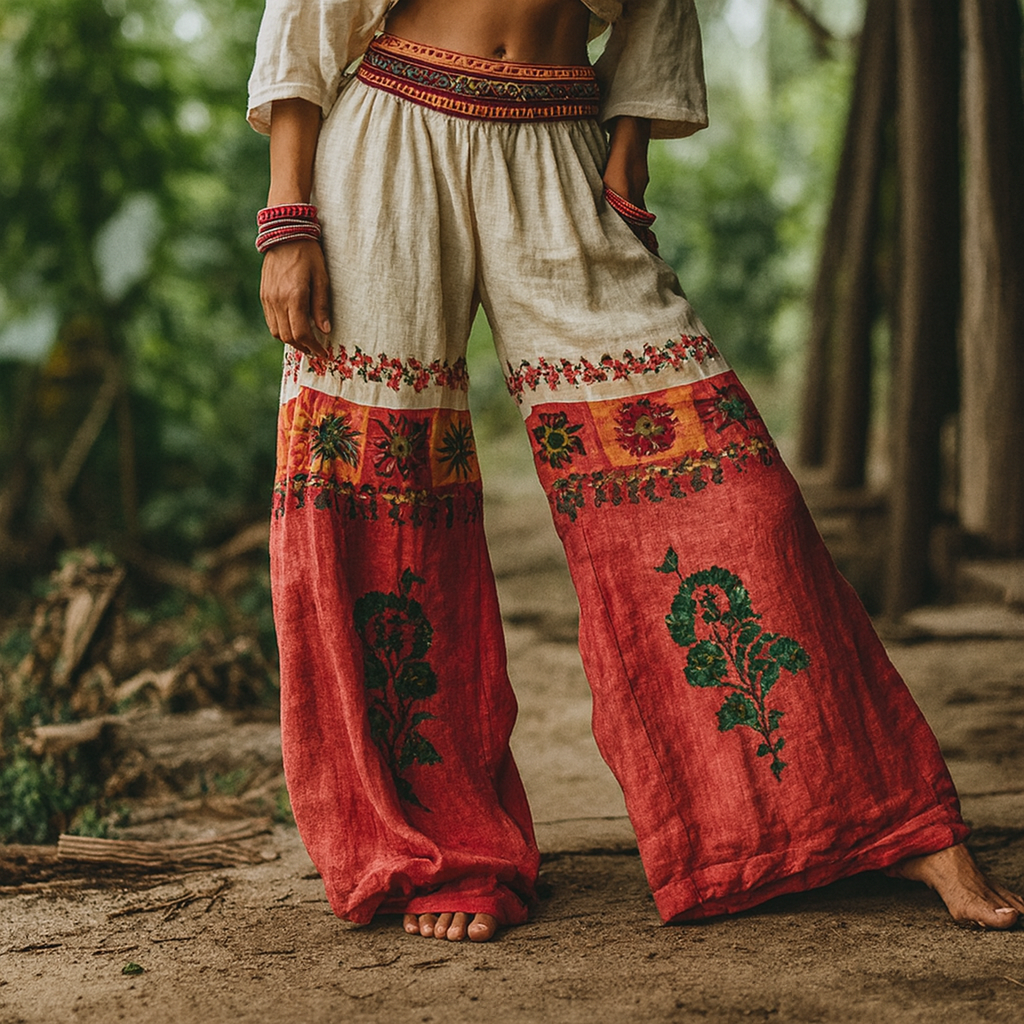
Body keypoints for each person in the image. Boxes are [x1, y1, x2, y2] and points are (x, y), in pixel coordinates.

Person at [248, 0, 1023, 943]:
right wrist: (288, 216)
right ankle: (439, 848)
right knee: (376, 493)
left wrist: (626, 162)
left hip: (560, 147)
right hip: (391, 137)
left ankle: (877, 816)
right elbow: (310, 15)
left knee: (739, 494)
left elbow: (658, 15)